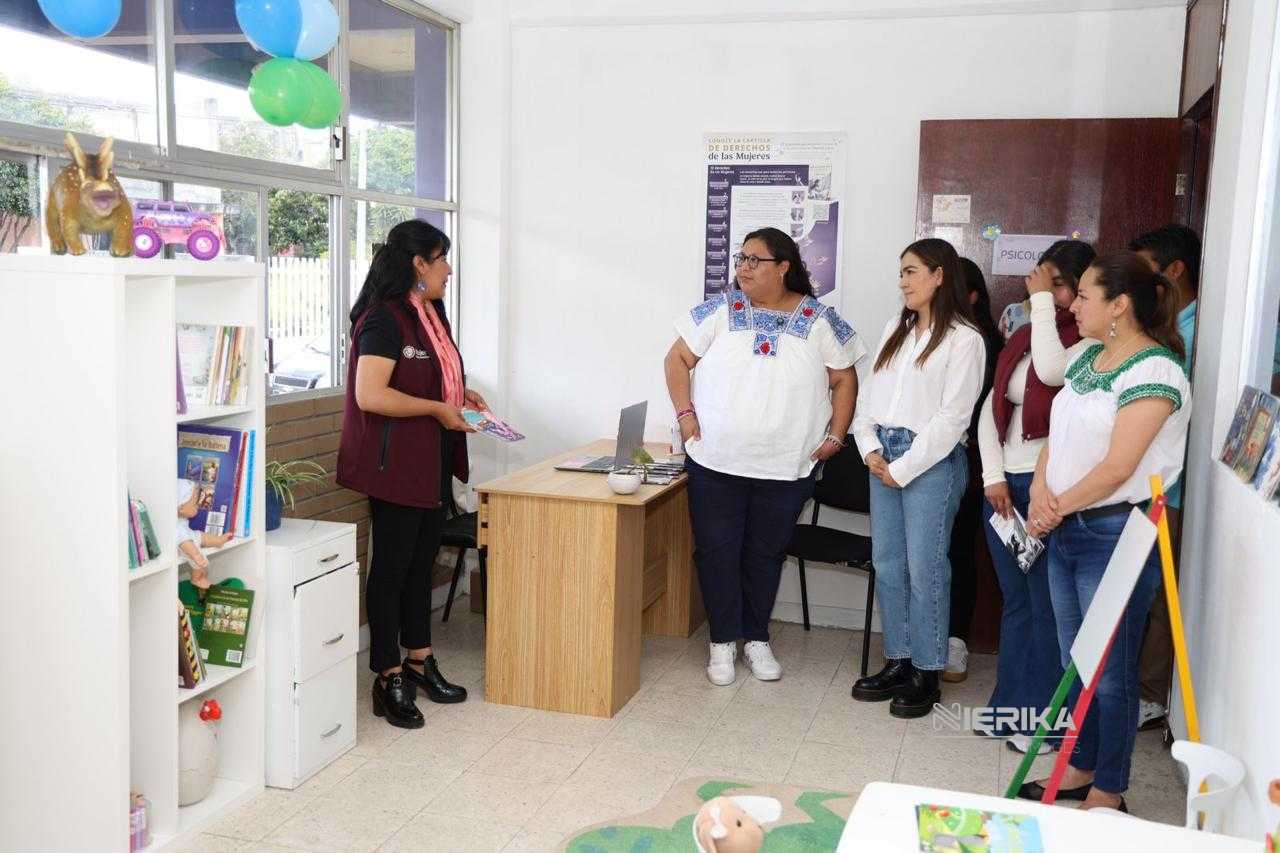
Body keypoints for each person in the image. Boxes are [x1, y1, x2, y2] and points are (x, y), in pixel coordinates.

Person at [1018, 251, 1191, 813]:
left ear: (1119, 305)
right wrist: (1042, 493)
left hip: (1114, 534)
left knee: (1110, 672)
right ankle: (1083, 763)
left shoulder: (1156, 371)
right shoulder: (1087, 359)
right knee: (1079, 661)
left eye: (1086, 296)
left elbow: (1120, 467)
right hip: (1067, 526)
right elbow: (1056, 437)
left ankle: (1109, 788)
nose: (1075, 303)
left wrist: (1055, 507)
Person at [665, 227, 865, 686]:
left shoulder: (819, 319)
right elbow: (675, 360)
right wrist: (686, 415)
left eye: (755, 259)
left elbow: (845, 379)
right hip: (715, 461)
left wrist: (836, 436)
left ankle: (755, 638)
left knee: (765, 553)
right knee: (716, 552)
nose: (744, 267)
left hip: (786, 465)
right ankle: (721, 642)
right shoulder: (719, 309)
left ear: (784, 266)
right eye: (741, 258)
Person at [336, 219, 481, 729]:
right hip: (394, 465)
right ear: (419, 264)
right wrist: (438, 409)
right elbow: (370, 394)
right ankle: (387, 674)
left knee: (423, 564)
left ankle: (419, 660)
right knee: (392, 570)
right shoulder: (383, 318)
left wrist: (460, 397)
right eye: (442, 259)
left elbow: (434, 375)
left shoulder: (430, 311)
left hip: (431, 459)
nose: (448, 270)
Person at [850, 238, 985, 718]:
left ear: (939, 276)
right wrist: (869, 449)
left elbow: (952, 420)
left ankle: (928, 671)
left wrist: (902, 468)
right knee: (887, 563)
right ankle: (899, 661)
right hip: (881, 453)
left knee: (924, 569)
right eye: (900, 272)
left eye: (911, 271)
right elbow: (869, 399)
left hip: (929, 461)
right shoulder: (895, 328)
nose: (903, 281)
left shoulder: (965, 340)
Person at [976, 239, 1096, 753]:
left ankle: (1045, 720)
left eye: (1052, 281)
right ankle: (1010, 709)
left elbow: (1052, 373)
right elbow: (990, 409)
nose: (1037, 288)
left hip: (1050, 487)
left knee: (1048, 606)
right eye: (1037, 280)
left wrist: (1043, 304)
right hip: (1006, 486)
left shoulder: (1086, 343)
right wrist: (991, 476)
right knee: (1018, 603)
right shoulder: (1025, 333)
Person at [1128, 224, 1199, 731]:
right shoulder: (1164, 330)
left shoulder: (1196, 333)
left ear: (1173, 271)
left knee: (1158, 593)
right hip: (1140, 484)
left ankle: (1150, 696)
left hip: (1170, 488)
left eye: (1145, 270)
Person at [942, 258, 1003, 683]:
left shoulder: (986, 344)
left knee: (958, 551)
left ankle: (954, 642)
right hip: (922, 461)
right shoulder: (919, 334)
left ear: (973, 296)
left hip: (972, 461)